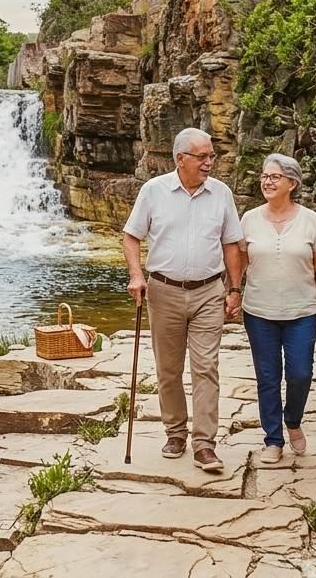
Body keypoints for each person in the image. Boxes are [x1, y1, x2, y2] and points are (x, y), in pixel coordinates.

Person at [123, 127, 244, 473]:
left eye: (211, 156)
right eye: (202, 157)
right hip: (164, 290)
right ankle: (175, 432)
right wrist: (136, 275)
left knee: (206, 367)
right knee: (169, 369)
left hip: (209, 290)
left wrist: (234, 289)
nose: (210, 162)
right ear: (181, 159)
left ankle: (205, 444)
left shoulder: (221, 193)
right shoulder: (153, 191)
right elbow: (131, 237)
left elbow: (231, 244)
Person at [238, 153, 316, 465]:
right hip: (258, 311)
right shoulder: (249, 219)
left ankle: (293, 420)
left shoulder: (310, 220)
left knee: (300, 374)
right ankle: (273, 439)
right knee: (267, 376)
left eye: (275, 177)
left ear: (292, 183)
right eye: (265, 176)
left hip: (302, 312)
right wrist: (231, 292)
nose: (267, 181)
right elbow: (239, 262)